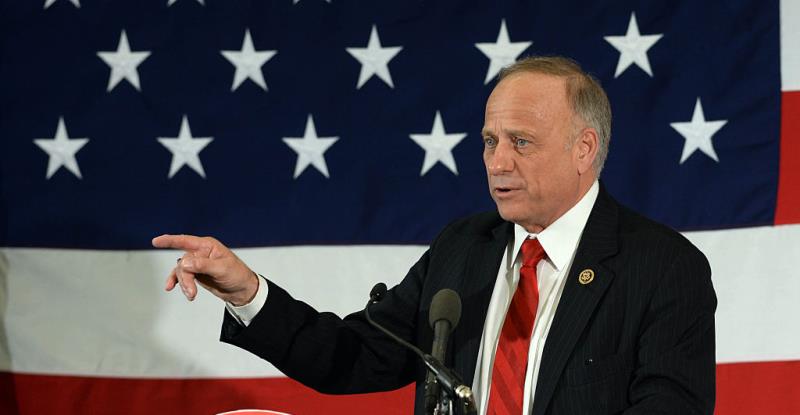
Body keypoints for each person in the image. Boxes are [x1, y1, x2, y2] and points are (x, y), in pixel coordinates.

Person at [153, 56, 716, 415]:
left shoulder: (663, 267)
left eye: (520, 142)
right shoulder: (464, 247)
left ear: (584, 149)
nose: (497, 162)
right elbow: (356, 358)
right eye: (489, 141)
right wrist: (248, 291)